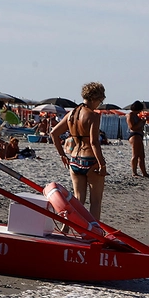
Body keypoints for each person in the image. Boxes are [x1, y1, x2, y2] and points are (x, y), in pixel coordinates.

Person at [51, 81, 109, 219]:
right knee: (95, 202)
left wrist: (61, 155)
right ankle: (94, 233)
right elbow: (94, 142)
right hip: (90, 159)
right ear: (94, 98)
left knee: (77, 200)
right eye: (100, 101)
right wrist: (102, 164)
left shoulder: (72, 114)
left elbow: (53, 133)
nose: (99, 104)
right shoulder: (93, 116)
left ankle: (67, 229)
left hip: (75, 159)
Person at [127, 101, 149, 178]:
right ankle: (134, 172)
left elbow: (139, 126)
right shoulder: (130, 115)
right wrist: (141, 121)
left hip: (139, 135)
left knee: (142, 155)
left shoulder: (136, 116)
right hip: (134, 135)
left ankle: (144, 172)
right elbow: (132, 127)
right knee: (135, 155)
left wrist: (144, 121)